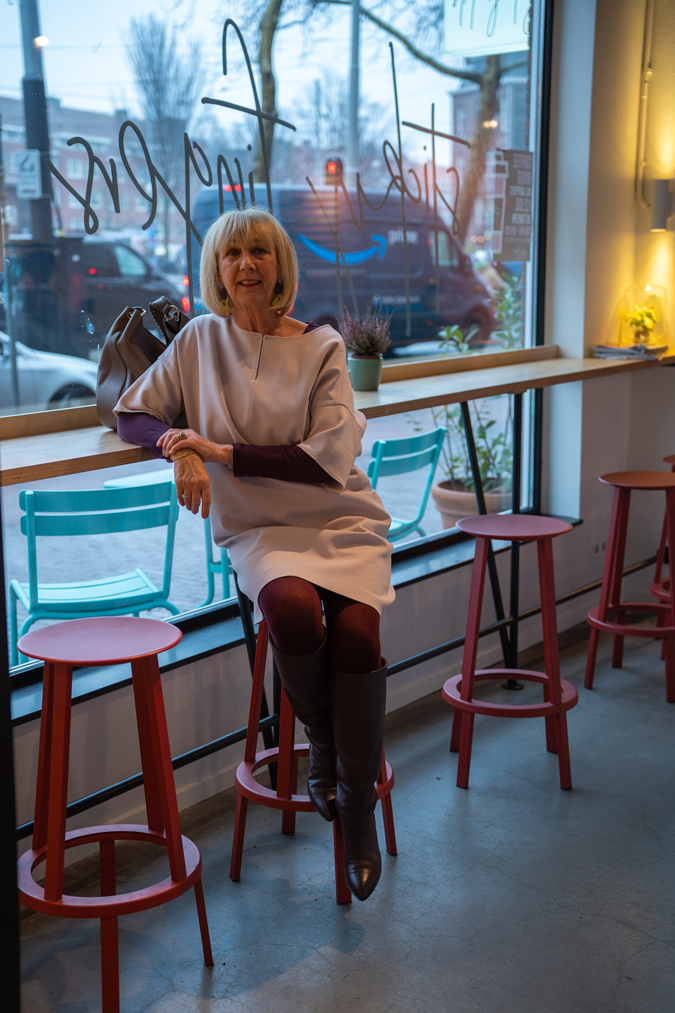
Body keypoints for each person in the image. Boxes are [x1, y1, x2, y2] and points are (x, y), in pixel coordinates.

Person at [115, 207, 395, 901]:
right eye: (232, 252)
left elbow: (325, 460)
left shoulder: (324, 347)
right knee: (293, 610)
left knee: (359, 631)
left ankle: (352, 807)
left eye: (260, 252)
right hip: (261, 531)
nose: (246, 264)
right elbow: (131, 413)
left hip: (337, 516)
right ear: (216, 268)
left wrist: (221, 452)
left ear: (279, 267)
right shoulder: (199, 341)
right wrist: (176, 445)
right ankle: (332, 757)